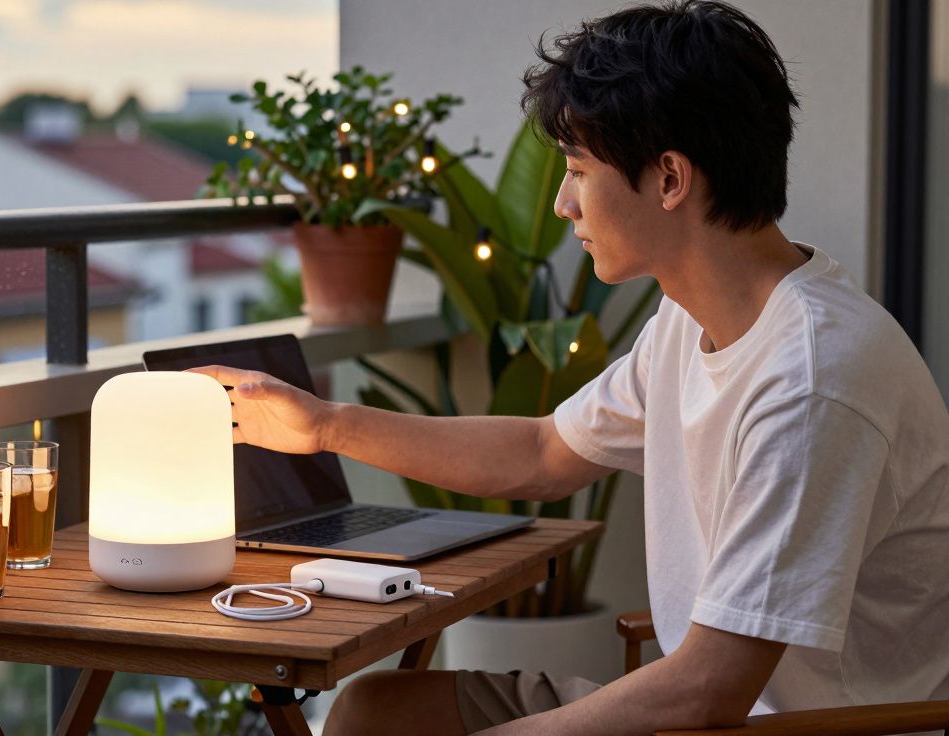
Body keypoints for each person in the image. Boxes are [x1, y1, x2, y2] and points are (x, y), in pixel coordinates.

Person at [190, 1, 949, 734]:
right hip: (701, 708)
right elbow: (543, 451)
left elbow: (711, 685)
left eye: (579, 170)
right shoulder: (691, 321)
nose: (561, 203)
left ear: (670, 178)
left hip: (777, 725)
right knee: (373, 712)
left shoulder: (812, 380)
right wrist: (326, 426)